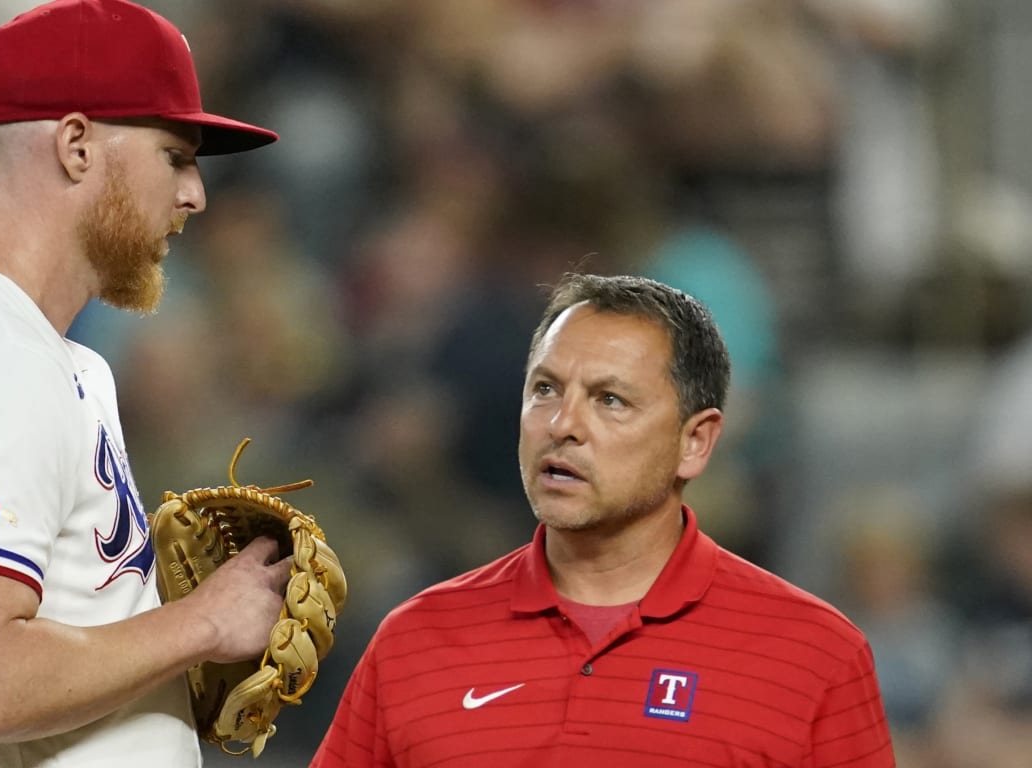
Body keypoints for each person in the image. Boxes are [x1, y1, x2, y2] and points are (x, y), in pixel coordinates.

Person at [0, 0, 291, 764]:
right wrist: (201, 625)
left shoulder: (26, 352)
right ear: (76, 145)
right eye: (174, 155)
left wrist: (154, 644)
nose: (194, 195)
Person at [312, 273, 894, 767]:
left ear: (695, 442)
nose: (563, 424)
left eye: (609, 399)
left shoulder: (816, 655)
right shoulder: (414, 641)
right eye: (545, 389)